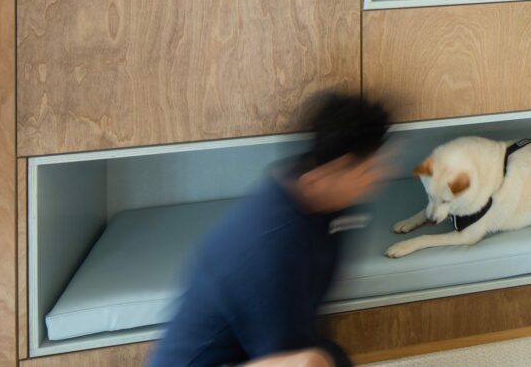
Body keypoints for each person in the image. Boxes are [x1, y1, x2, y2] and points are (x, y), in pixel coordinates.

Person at [150, 94, 393, 367]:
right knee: (310, 362)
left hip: (263, 348)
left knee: (322, 356)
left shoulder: (324, 200)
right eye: (369, 169)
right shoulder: (271, 245)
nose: (380, 176)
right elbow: (290, 355)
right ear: (336, 168)